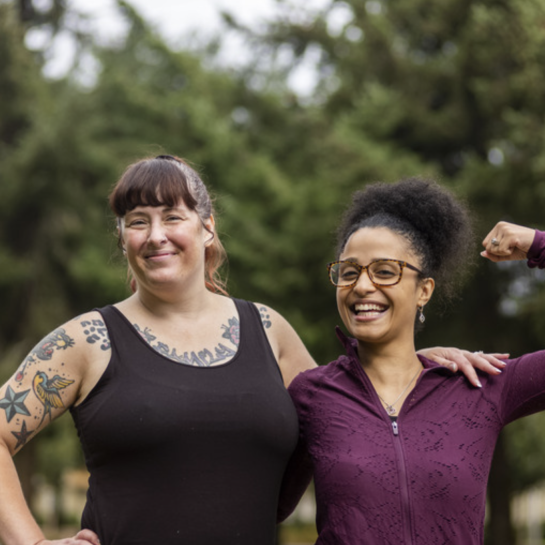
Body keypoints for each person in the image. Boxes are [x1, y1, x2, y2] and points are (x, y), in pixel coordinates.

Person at [0, 157, 503, 545]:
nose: (156, 236)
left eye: (173, 216)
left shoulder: (268, 330)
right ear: (122, 235)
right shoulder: (86, 341)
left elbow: (352, 409)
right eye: (137, 220)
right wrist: (31, 540)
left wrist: (412, 356)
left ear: (207, 226)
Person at [278, 177, 545, 545]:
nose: (362, 286)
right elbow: (261, 506)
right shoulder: (312, 395)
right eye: (349, 271)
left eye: (385, 271)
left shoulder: (480, 386)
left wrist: (541, 246)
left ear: (424, 291)